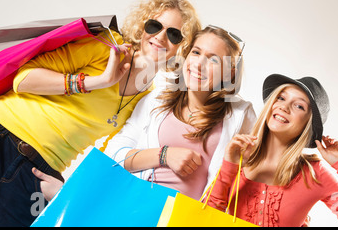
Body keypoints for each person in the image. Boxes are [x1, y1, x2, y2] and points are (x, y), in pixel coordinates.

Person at [0, 0, 201, 227]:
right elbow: (23, 80)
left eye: (174, 34)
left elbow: (113, 154)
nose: (160, 37)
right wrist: (99, 81)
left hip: (40, 170)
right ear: (142, 26)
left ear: (182, 46)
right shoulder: (106, 47)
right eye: (154, 26)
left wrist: (68, 190)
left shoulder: (148, 97)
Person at [206, 74, 338, 227]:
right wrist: (229, 166)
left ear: (308, 123)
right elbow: (204, 223)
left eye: (299, 106)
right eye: (281, 98)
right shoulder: (238, 156)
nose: (283, 107)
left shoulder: (315, 176)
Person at [102, 25, 256, 200]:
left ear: (229, 72)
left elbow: (249, 182)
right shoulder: (157, 99)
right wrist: (164, 155)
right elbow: (112, 156)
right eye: (196, 53)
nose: (199, 64)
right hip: (136, 206)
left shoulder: (240, 115)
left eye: (214, 60)